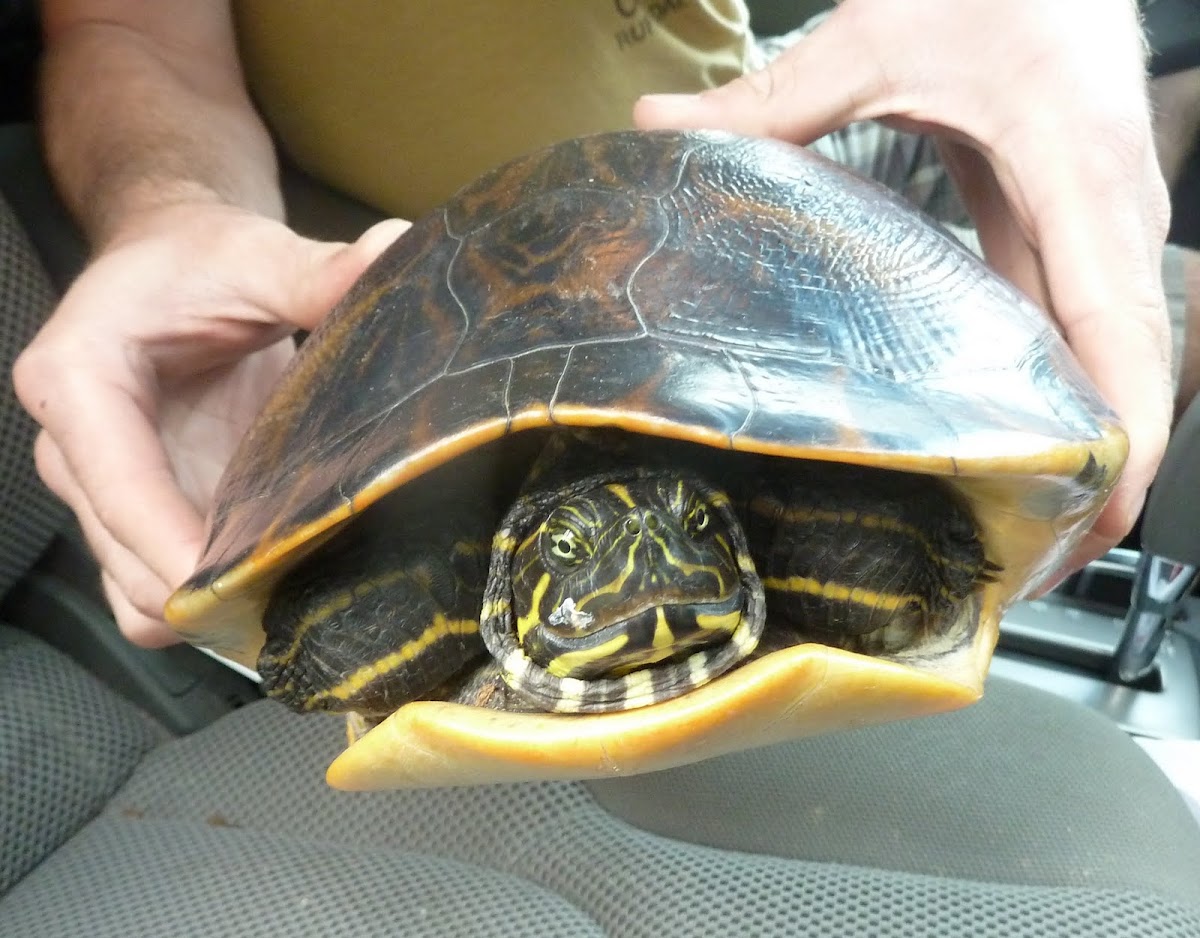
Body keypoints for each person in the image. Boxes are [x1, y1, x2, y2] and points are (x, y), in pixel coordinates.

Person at [11, 0, 1183, 649]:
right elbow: (131, 31)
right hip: (433, 285)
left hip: (771, 180)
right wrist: (169, 212)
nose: (648, 568)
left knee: (1159, 191)